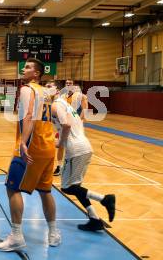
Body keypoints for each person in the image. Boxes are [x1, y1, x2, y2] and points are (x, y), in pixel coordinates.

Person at [0, 58, 61, 252]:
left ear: (37, 74)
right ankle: (53, 233)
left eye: (29, 67)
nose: (24, 69)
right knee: (45, 191)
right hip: (48, 147)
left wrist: (23, 143)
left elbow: (29, 116)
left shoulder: (27, 89)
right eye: (25, 66)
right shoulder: (46, 93)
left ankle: (16, 236)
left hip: (31, 146)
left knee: (12, 188)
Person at [47, 80, 116, 231]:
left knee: (67, 187)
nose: (46, 89)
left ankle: (105, 199)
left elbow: (66, 125)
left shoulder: (56, 105)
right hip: (83, 147)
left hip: (76, 150)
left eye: (49, 87)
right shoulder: (67, 106)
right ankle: (95, 219)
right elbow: (70, 126)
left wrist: (61, 143)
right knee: (74, 187)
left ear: (58, 90)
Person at [54, 80, 88, 176]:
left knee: (74, 147)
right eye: (67, 83)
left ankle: (73, 167)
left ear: (74, 85)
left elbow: (85, 110)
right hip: (64, 124)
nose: (68, 85)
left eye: (70, 83)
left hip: (75, 125)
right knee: (60, 146)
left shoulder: (81, 96)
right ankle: (59, 166)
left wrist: (78, 120)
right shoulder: (62, 97)